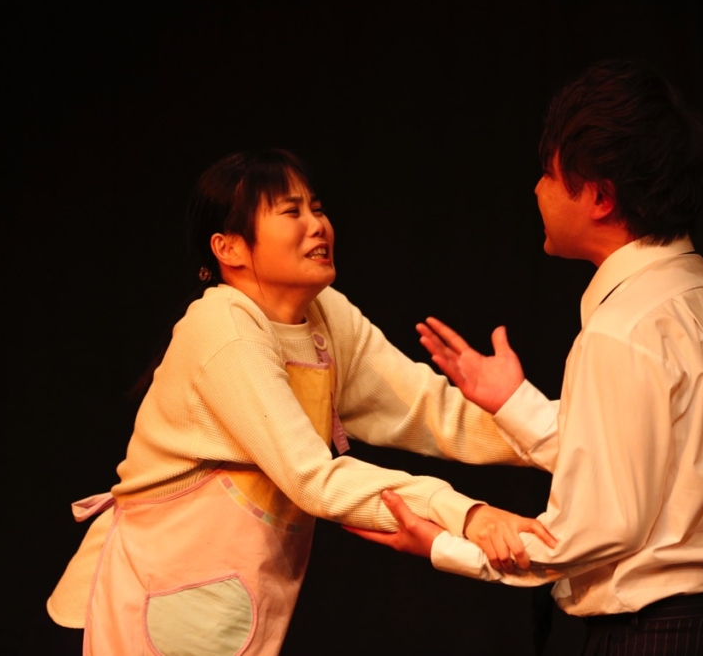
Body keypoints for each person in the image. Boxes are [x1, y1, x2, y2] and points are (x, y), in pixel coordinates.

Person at [347, 60, 703, 655]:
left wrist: (445, 545)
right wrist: (514, 402)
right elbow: (653, 463)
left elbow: (594, 527)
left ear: (601, 197)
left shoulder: (622, 327)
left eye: (550, 174)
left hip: (662, 638)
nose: (537, 190)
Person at [45, 149, 554, 655]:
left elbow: (427, 410)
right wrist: (466, 515)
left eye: (318, 208)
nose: (317, 225)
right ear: (229, 248)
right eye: (291, 212)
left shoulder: (324, 315)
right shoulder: (223, 327)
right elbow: (313, 478)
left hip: (220, 611)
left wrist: (557, 432)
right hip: (127, 604)